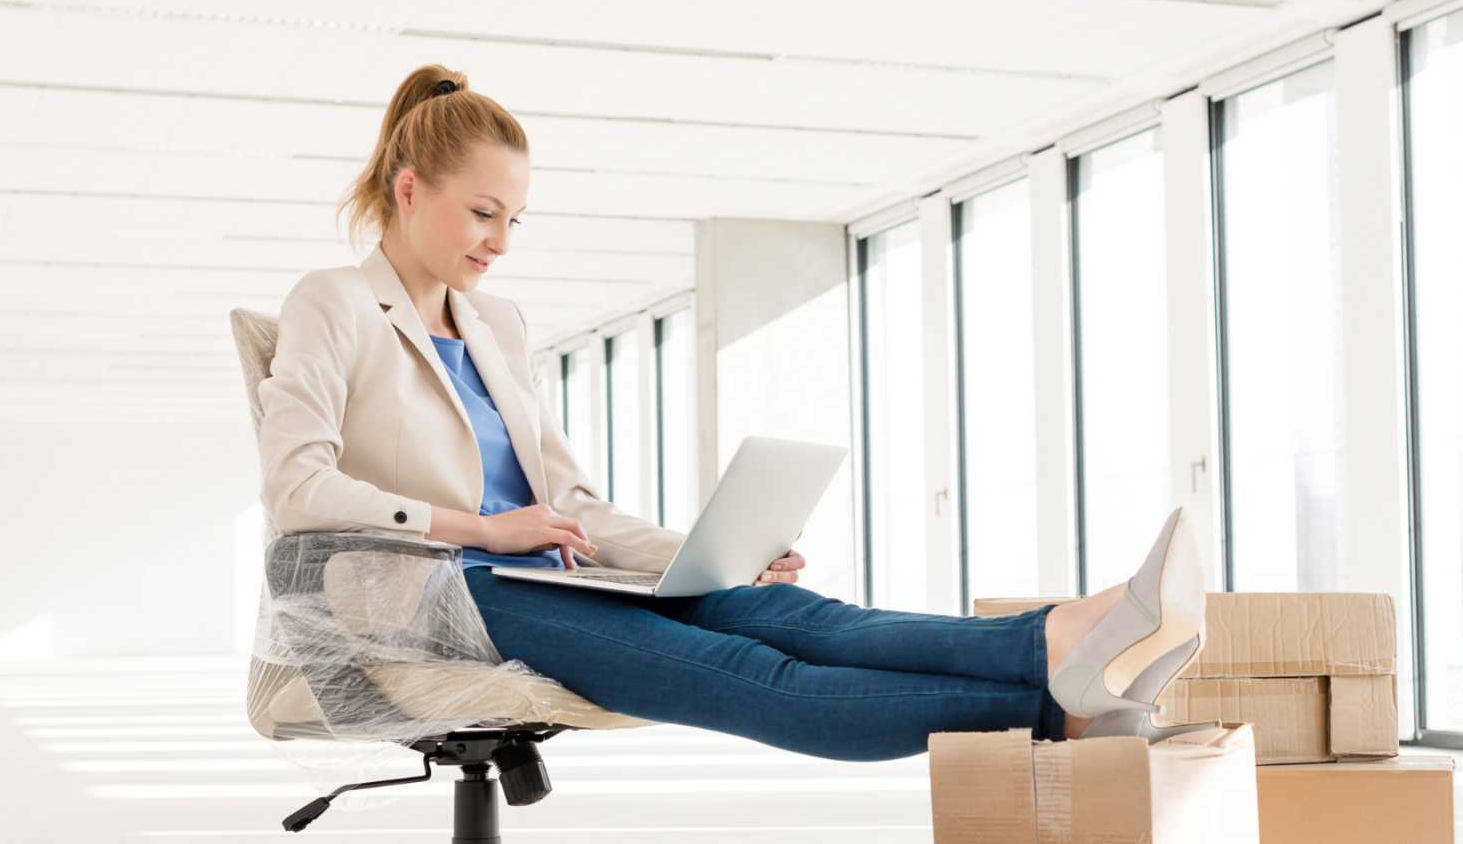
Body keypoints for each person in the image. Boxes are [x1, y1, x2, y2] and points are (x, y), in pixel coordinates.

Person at [257, 64, 1206, 761]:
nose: (501, 241)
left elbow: (572, 507)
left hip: (545, 574)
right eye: (482, 213)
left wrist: (706, 557)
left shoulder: (495, 324)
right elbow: (297, 489)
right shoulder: (333, 302)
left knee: (790, 613)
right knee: (760, 677)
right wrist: (482, 528)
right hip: (441, 595)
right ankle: (1058, 700)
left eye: (514, 219)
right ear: (409, 191)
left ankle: (1057, 645)